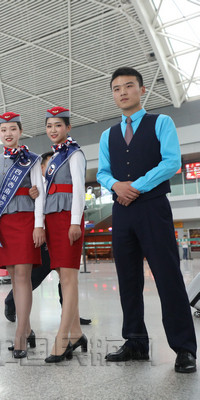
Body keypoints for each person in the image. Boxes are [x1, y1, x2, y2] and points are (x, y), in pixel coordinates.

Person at [97, 67, 197, 373]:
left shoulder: (161, 122)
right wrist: (116, 186)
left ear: (142, 90)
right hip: (122, 210)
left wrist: (135, 187)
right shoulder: (107, 135)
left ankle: (184, 348)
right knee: (128, 279)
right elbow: (102, 172)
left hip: (153, 208)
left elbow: (171, 162)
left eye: (129, 86)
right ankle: (135, 342)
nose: (123, 92)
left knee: (168, 277)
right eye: (117, 89)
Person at [2, 152, 92, 326]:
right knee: (36, 276)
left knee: (66, 275)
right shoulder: (36, 184)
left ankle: (70, 314)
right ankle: (11, 301)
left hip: (59, 231)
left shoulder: (59, 182)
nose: (54, 168)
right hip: (42, 236)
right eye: (50, 164)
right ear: (42, 167)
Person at [0, 113, 45, 358]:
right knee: (14, 276)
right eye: (3, 130)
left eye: (12, 129)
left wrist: (39, 225)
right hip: (4, 224)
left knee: (23, 276)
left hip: (26, 221)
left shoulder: (32, 159)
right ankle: (28, 329)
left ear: (20, 131)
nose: (8, 133)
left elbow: (40, 193)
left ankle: (20, 334)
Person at [42, 106, 86, 363]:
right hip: (52, 219)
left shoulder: (74, 154)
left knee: (69, 278)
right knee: (63, 276)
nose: (53, 130)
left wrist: (75, 222)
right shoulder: (54, 157)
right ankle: (77, 333)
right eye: (49, 126)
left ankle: (62, 339)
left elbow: (79, 189)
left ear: (68, 128)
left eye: (58, 125)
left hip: (68, 219)